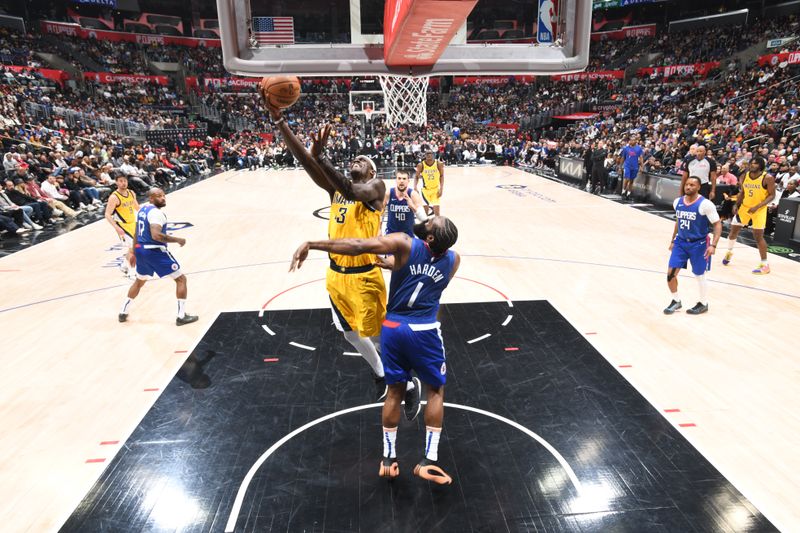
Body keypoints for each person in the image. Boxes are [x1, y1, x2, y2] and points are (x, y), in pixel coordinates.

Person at [264, 94, 417, 405]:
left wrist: (321, 158)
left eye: (363, 160)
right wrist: (280, 121)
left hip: (364, 277)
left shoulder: (376, 189)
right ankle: (380, 374)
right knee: (349, 332)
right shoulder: (336, 188)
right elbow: (306, 161)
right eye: (354, 159)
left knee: (379, 335)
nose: (356, 161)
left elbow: (348, 186)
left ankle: (407, 380)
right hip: (336, 277)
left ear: (373, 172)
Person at [289, 216, 460, 485]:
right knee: (435, 390)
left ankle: (389, 461)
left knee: (394, 392)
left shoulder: (405, 244)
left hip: (393, 327)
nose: (426, 219)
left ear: (428, 238)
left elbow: (358, 245)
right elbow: (429, 282)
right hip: (424, 330)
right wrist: (400, 267)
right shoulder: (454, 259)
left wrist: (312, 243)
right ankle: (429, 461)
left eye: (431, 222)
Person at [118, 188, 198, 326]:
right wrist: (178, 239)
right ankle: (181, 316)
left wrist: (134, 251)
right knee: (181, 279)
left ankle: (123, 312)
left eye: (163, 195)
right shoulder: (156, 213)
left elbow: (137, 232)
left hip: (142, 251)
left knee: (139, 281)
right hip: (154, 251)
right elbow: (156, 235)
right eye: (158, 196)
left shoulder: (142, 210)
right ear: (151, 198)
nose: (163, 198)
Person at [664, 176, 722, 315]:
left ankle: (703, 303)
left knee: (699, 275)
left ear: (698, 187)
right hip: (681, 243)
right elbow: (678, 221)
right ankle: (676, 300)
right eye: (687, 184)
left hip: (699, 244)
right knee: (670, 275)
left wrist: (713, 245)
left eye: (692, 185)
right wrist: (673, 240)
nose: (688, 187)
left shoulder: (705, 204)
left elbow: (717, 224)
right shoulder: (677, 202)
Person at [721, 156, 775, 274]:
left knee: (758, 236)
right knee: (733, 231)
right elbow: (743, 192)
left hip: (759, 210)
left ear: (760, 166)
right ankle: (729, 252)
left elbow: (772, 195)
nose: (752, 165)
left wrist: (757, 206)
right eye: (751, 163)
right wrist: (736, 205)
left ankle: (765, 264)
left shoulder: (767, 178)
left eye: (755, 164)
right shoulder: (744, 176)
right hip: (745, 208)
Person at [105, 175, 139, 280]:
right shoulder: (114, 197)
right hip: (122, 226)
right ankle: (131, 272)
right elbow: (107, 214)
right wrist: (116, 227)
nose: (123, 183)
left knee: (134, 248)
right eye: (121, 181)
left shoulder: (131, 193)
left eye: (125, 181)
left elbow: (136, 207)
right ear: (116, 182)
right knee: (134, 249)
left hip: (132, 223)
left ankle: (124, 265)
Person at [384, 170, 427, 237]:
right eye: (399, 178)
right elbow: (380, 212)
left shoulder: (413, 194)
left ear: (408, 181)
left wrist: (412, 206)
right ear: (396, 180)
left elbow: (423, 218)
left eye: (404, 179)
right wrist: (379, 230)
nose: (401, 181)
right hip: (391, 233)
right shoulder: (389, 192)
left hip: (408, 235)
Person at [415, 151, 445, 215]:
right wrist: (415, 187)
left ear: (433, 155)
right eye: (427, 154)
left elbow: (441, 176)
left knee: (437, 213)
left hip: (435, 190)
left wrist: (441, 189)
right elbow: (416, 177)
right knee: (425, 213)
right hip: (425, 190)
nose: (429, 155)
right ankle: (424, 224)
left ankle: (437, 225)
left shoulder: (438, 164)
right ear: (425, 155)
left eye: (430, 153)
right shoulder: (421, 165)